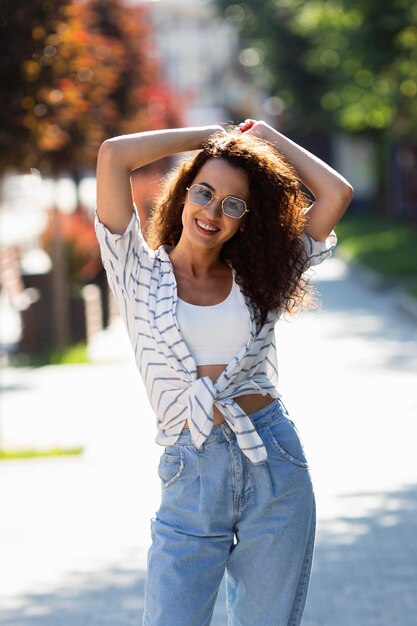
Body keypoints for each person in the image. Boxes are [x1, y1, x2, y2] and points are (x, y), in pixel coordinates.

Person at [94, 119, 353, 626]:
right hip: (190, 470)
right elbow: (112, 155)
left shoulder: (262, 276)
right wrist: (211, 138)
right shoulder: (136, 270)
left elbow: (335, 193)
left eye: (233, 204)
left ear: (245, 219)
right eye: (205, 192)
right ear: (185, 192)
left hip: (272, 462)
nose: (213, 211)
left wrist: (266, 141)